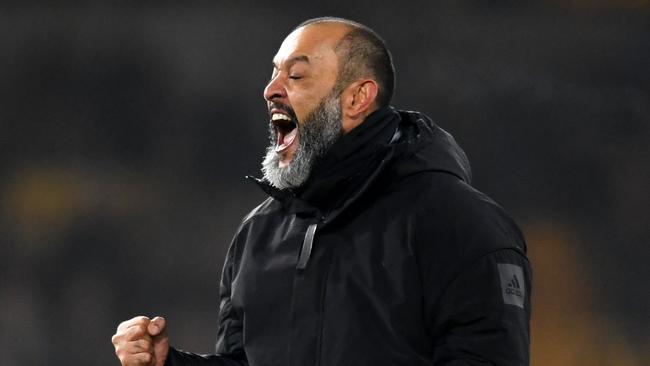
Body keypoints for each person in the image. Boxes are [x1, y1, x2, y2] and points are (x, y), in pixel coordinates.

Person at [112, 17, 531, 366]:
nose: (271, 89)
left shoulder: (458, 222)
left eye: (296, 75)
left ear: (357, 98)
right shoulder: (259, 234)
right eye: (274, 73)